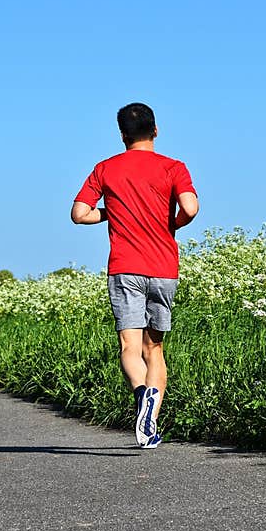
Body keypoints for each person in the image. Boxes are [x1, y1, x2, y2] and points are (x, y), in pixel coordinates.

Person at [71, 102, 199, 449]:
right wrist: (172, 224)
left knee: (129, 346)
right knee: (154, 348)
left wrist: (111, 213)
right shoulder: (173, 167)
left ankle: (142, 396)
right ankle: (150, 419)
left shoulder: (105, 169)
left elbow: (79, 214)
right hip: (163, 266)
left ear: (122, 134)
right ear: (155, 130)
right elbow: (190, 207)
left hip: (125, 266)